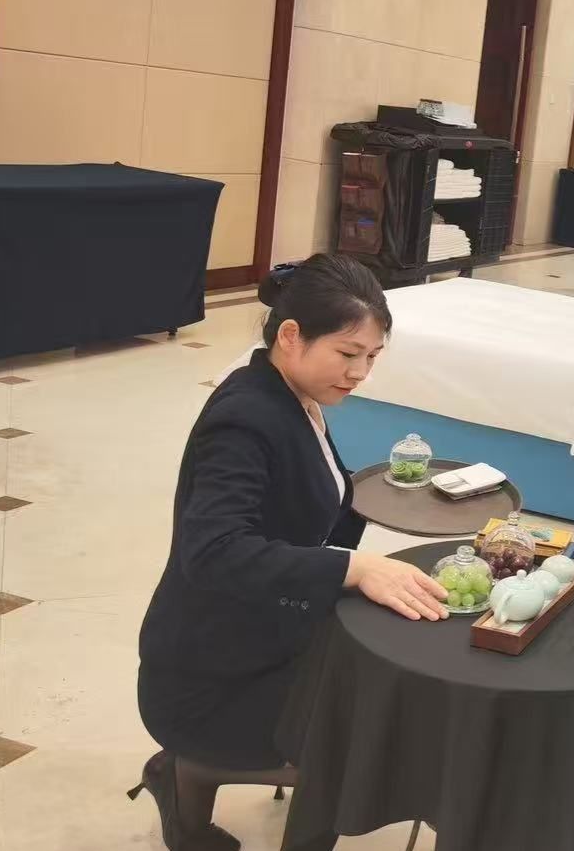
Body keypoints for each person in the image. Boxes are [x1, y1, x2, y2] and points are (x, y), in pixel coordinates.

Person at [133, 257, 448, 850]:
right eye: (348, 353)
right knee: (362, 747)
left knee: (392, 681)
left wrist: (399, 509)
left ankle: (188, 777)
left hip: (265, 633)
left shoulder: (294, 394)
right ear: (291, 335)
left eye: (372, 357)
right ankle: (184, 772)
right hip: (210, 677)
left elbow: (316, 497)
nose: (360, 373)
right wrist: (352, 568)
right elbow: (215, 551)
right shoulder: (245, 418)